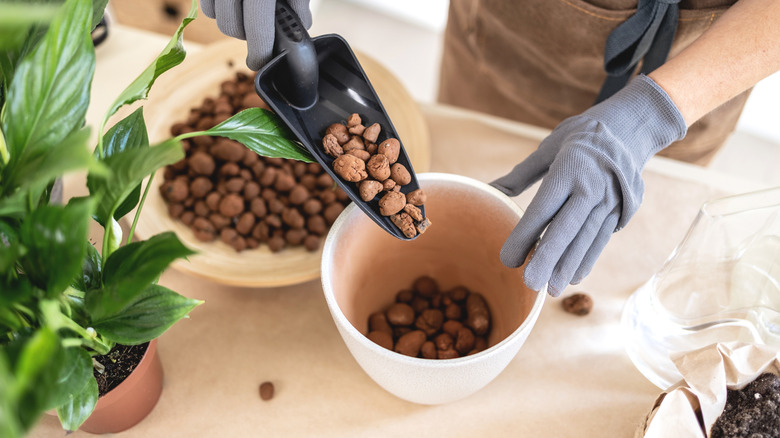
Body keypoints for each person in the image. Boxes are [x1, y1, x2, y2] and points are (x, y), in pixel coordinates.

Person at [199, 0, 780, 297]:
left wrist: (656, 112)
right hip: (510, 30)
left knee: (630, 249)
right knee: (470, 142)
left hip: (698, 60)